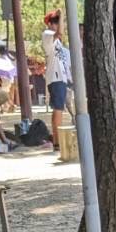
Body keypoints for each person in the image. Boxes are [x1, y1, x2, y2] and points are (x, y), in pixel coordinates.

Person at [42, 9, 72, 149]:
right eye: (54, 21)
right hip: (55, 77)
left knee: (60, 108)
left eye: (57, 21)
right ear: (49, 23)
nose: (57, 24)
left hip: (61, 77)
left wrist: (62, 19)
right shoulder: (47, 34)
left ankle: (57, 140)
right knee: (58, 109)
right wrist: (62, 16)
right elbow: (59, 33)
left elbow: (61, 33)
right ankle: (57, 141)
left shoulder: (58, 41)